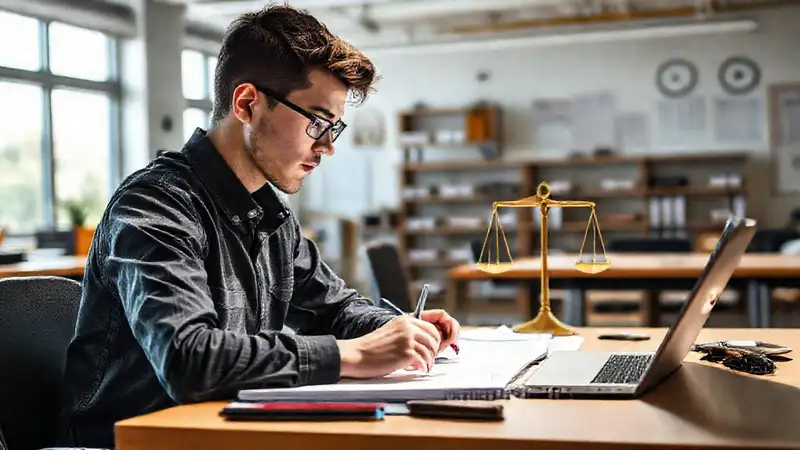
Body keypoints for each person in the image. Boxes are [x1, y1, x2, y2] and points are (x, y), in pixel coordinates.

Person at [57, 5, 459, 448]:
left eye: (334, 127)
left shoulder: (270, 216)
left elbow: (336, 310)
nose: (327, 147)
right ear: (247, 103)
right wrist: (353, 354)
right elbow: (188, 360)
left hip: (228, 431)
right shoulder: (155, 205)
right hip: (140, 441)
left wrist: (401, 331)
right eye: (317, 122)